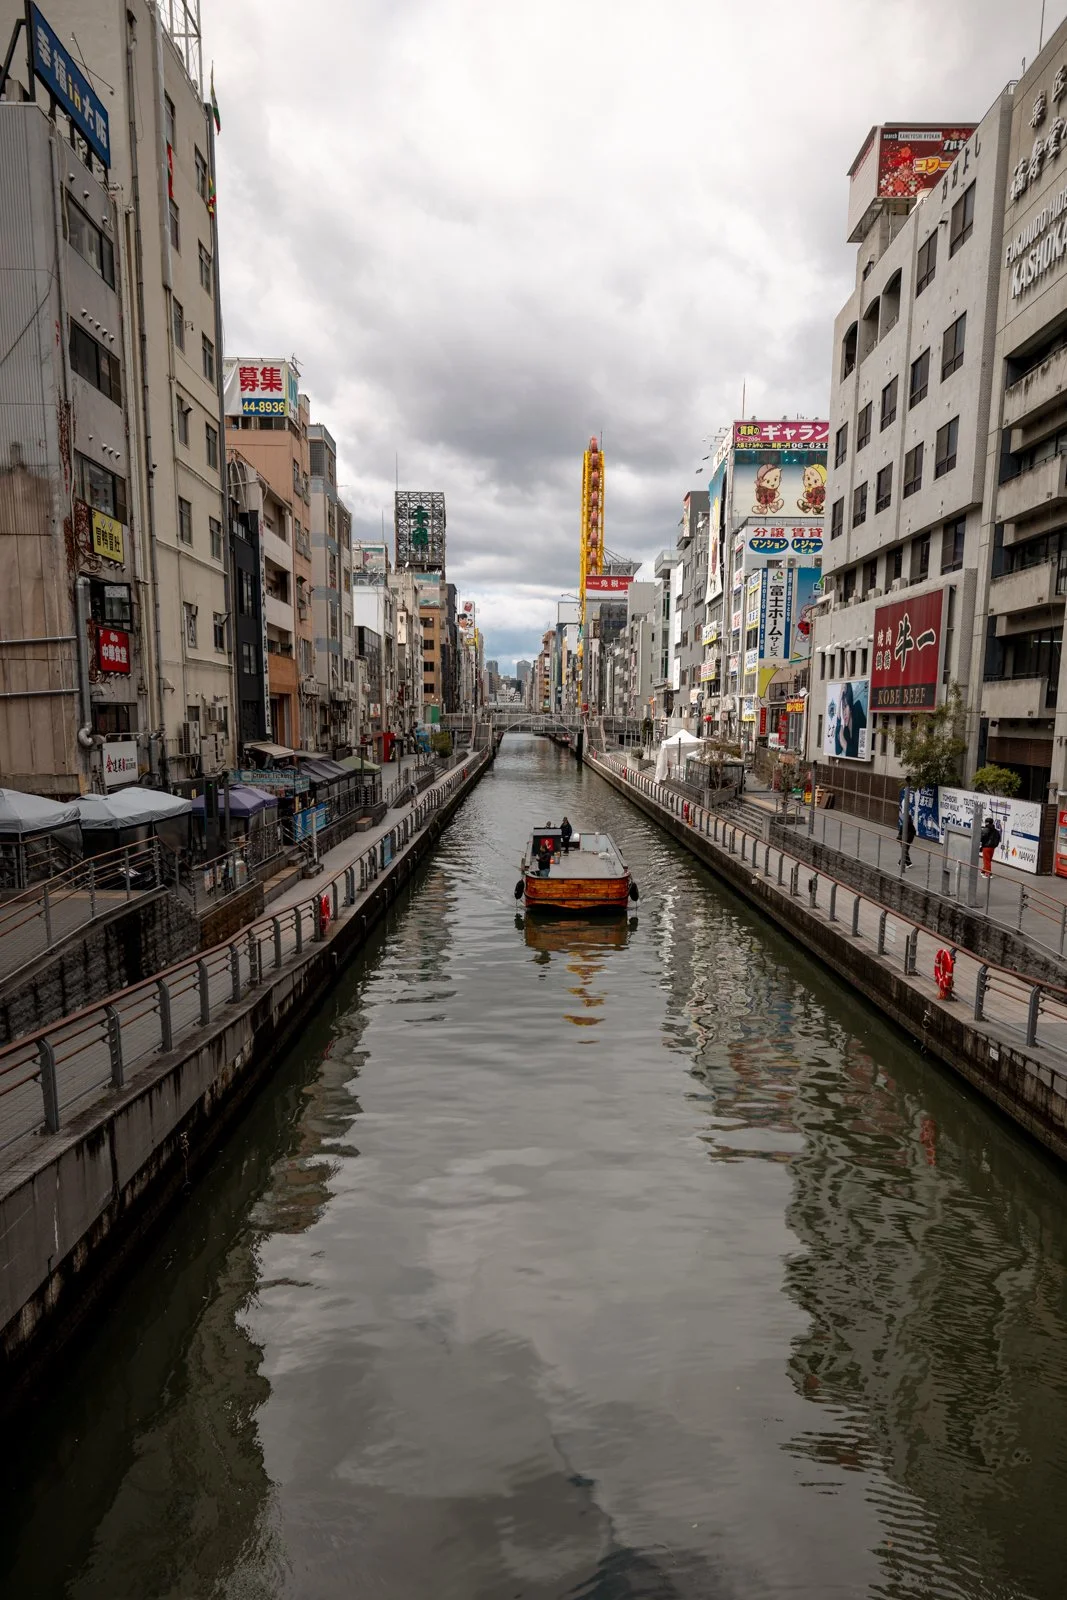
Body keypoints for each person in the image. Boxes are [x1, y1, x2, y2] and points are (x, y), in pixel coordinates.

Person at [833, 681, 867, 760]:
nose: (844, 712)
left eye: (846, 706)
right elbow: (837, 751)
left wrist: (842, 740)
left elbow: (859, 753)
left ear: (851, 706)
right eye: (843, 708)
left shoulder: (858, 710)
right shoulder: (844, 728)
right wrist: (839, 702)